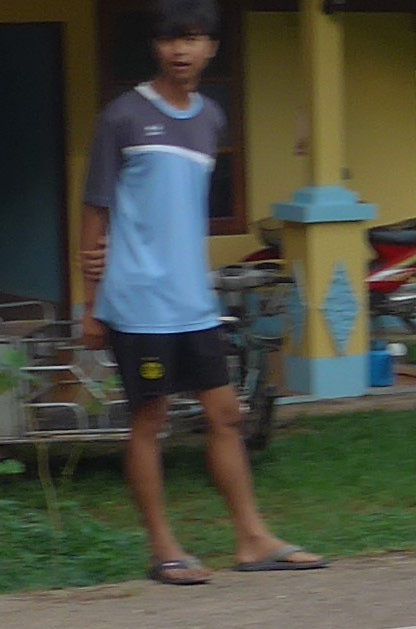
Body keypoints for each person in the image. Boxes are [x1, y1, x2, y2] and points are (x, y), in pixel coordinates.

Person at [79, 0, 322, 585]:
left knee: (226, 416)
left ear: (212, 47)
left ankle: (252, 538)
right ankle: (163, 548)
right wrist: (91, 304)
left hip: (194, 302)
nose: (181, 50)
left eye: (193, 39)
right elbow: (94, 212)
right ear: (154, 47)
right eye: (170, 39)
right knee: (149, 421)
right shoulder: (123, 117)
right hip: (138, 302)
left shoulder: (212, 117)